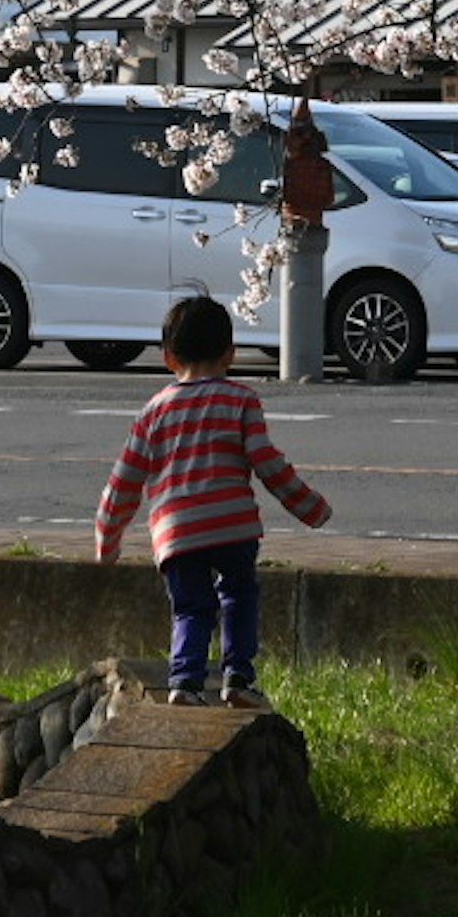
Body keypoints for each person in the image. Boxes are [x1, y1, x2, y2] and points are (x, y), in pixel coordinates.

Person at [91, 290, 331, 707]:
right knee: (239, 594)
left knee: (191, 608)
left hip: (176, 533)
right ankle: (237, 677)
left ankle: (185, 682)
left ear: (168, 358)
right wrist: (308, 507)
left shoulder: (153, 412)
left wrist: (107, 541)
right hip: (232, 526)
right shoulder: (241, 400)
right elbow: (268, 464)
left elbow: (123, 483)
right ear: (230, 354)